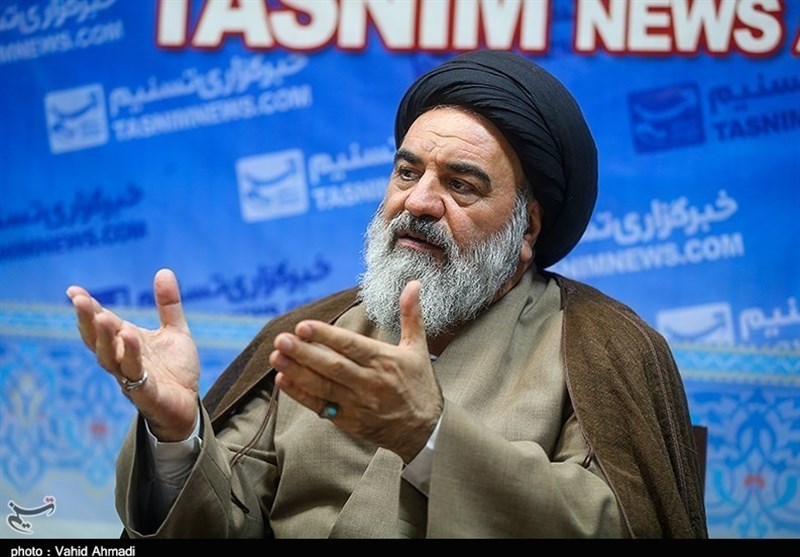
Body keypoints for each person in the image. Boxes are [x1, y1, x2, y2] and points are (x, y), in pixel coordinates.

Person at [67, 50, 708, 539]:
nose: (419, 201)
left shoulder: (598, 350)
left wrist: (430, 438)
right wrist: (178, 435)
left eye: (461, 184)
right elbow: (224, 522)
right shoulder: (312, 332)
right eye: (407, 172)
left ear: (528, 230)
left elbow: (610, 526)